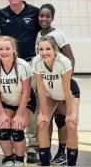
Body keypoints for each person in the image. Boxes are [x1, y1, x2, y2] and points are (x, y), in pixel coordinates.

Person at [0, 0, 41, 163]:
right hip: (8, 66)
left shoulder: (34, 12)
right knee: (10, 103)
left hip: (29, 65)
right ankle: (14, 149)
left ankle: (32, 147)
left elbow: (43, 34)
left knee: (32, 106)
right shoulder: (1, 14)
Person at [0, 36, 36, 166]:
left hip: (25, 103)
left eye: (7, 48)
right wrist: (2, 113)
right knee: (3, 129)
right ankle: (9, 159)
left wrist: (19, 114)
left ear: (14, 49)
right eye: (1, 49)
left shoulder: (23, 66)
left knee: (17, 129)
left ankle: (20, 161)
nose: (4, 52)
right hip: (6, 103)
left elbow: (26, 93)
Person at [37, 3, 76, 165]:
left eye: (48, 16)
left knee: (61, 120)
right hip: (47, 86)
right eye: (41, 16)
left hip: (60, 85)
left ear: (52, 17)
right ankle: (48, 151)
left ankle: (62, 152)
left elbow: (70, 59)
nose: (44, 18)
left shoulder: (57, 34)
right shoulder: (38, 34)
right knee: (46, 119)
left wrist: (64, 82)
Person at [32, 36, 80, 166]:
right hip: (50, 94)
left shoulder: (64, 62)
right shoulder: (36, 62)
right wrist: (42, 113)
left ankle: (71, 163)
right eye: (41, 49)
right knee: (42, 123)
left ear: (55, 49)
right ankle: (45, 163)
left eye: (48, 49)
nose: (44, 52)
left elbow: (66, 89)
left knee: (71, 124)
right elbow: (41, 90)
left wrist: (70, 113)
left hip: (69, 94)